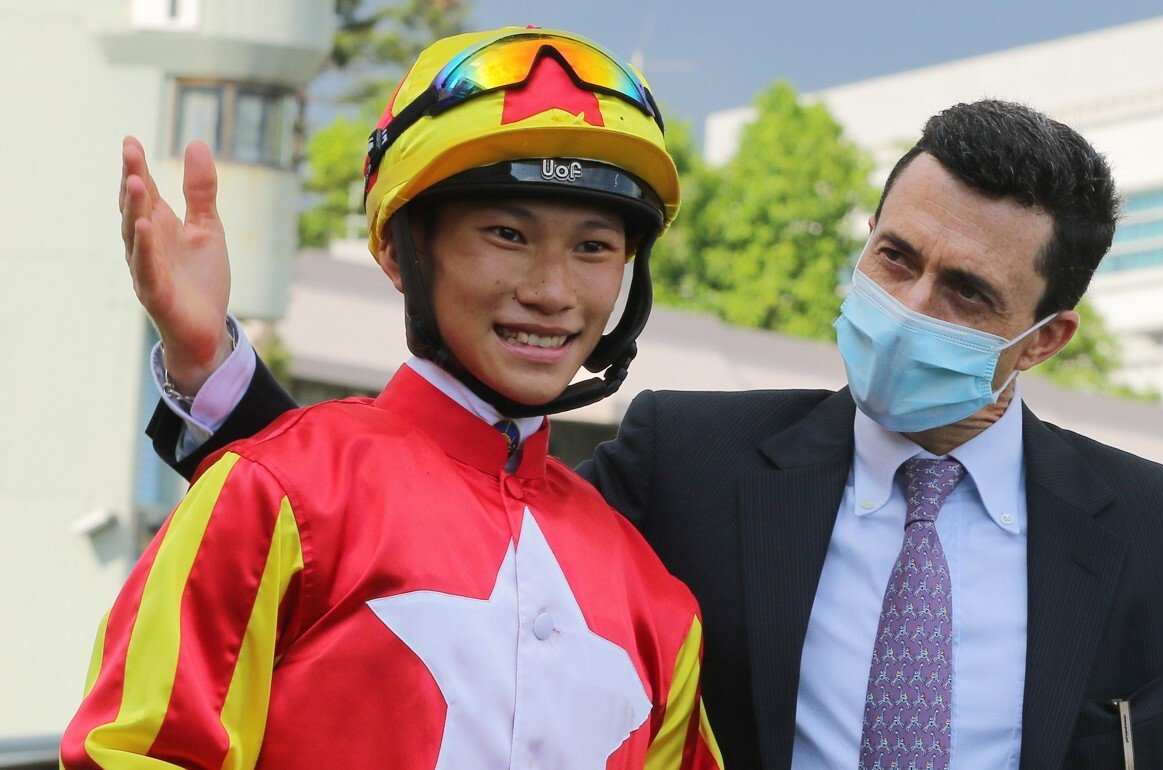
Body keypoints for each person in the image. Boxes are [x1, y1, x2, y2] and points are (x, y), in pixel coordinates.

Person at [134, 100, 1163, 770]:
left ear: (1047, 335)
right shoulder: (690, 460)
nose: (910, 308)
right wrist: (213, 374)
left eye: (967, 293)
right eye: (894, 259)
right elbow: (434, 517)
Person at [63, 27, 724, 770]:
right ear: (396, 250)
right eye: (507, 234)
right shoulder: (269, 491)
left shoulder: (657, 601)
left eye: (594, 248)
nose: (552, 291)